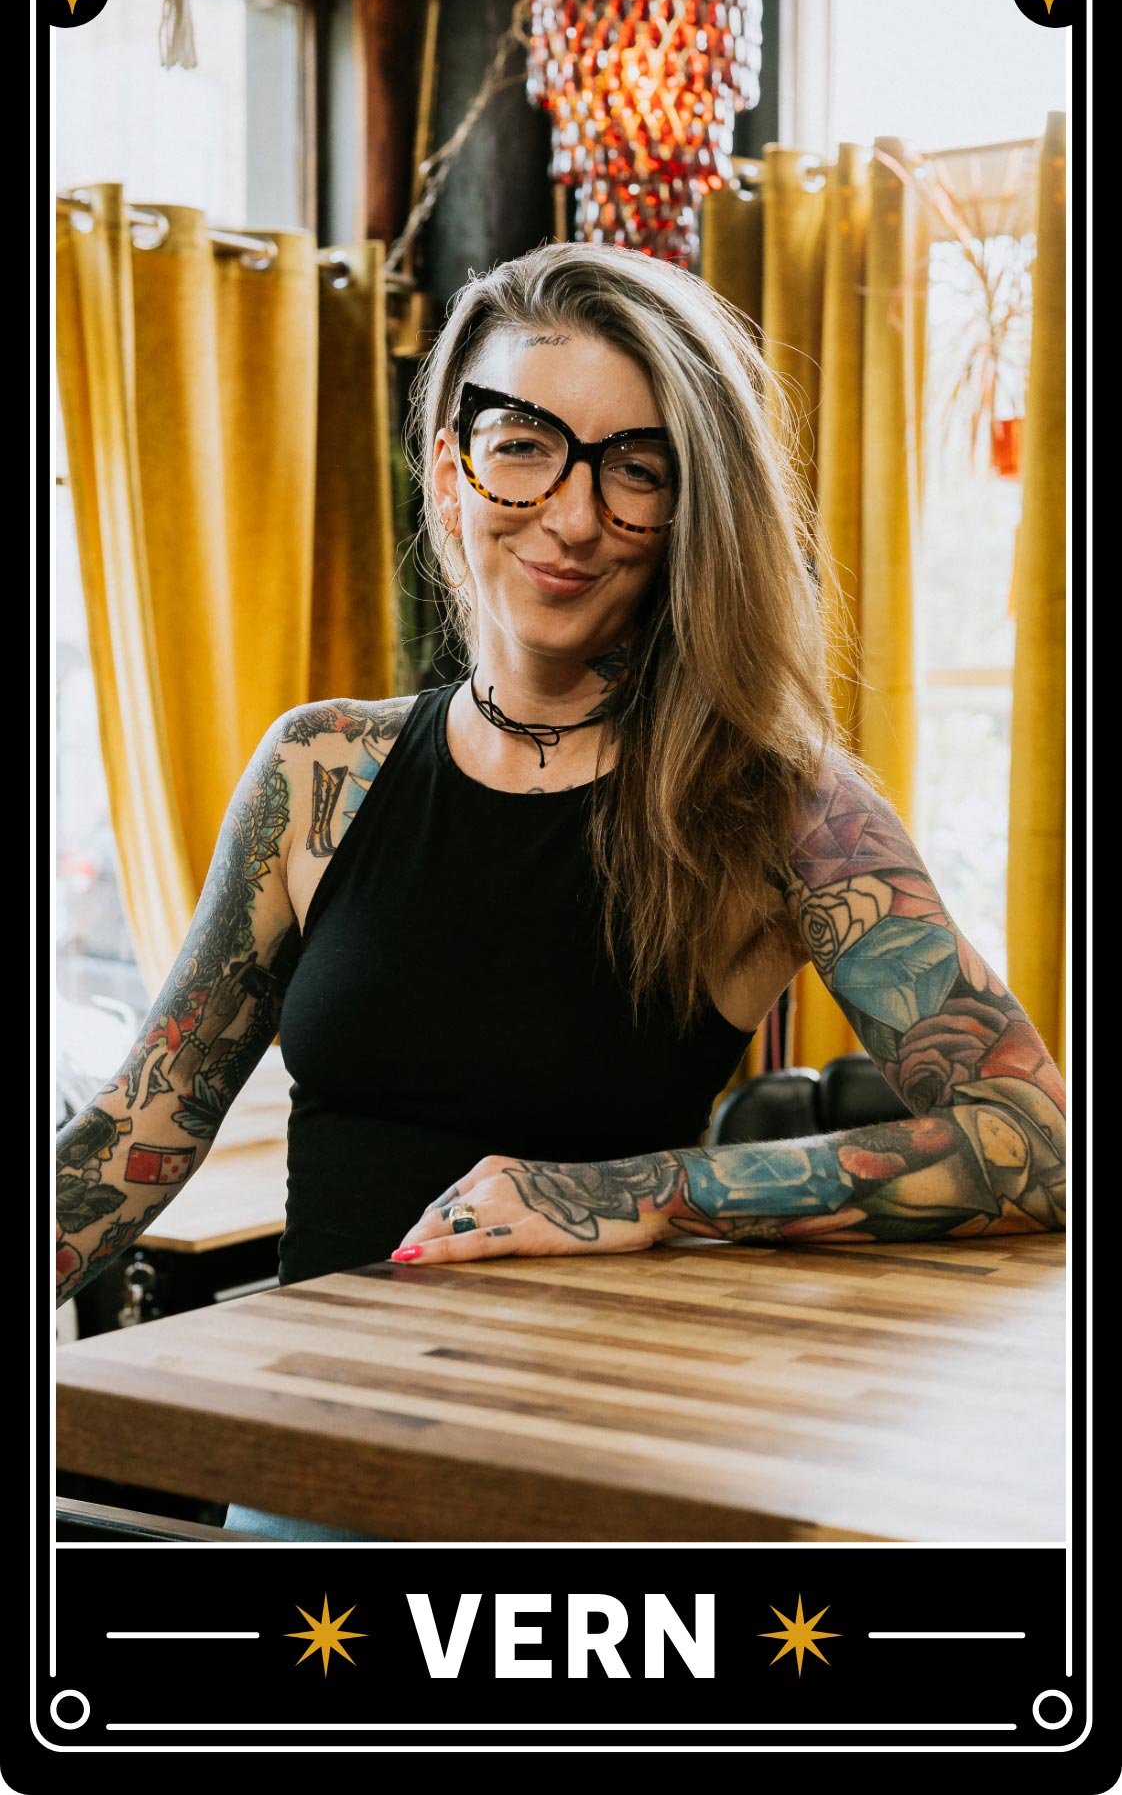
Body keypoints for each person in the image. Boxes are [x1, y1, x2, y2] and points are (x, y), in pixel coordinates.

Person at [55, 240, 1066, 1541]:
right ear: (447, 466)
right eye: (522, 444)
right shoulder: (320, 771)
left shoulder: (776, 805)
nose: (575, 516)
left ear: (692, 509)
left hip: (599, 1490)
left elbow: (1035, 1141)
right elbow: (134, 1140)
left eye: (634, 469)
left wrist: (628, 1195)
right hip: (312, 1485)